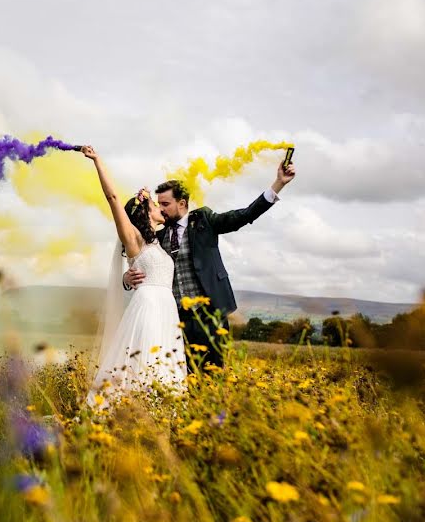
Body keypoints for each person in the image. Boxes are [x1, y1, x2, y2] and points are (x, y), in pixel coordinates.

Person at [124, 159, 297, 371]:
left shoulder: (204, 220)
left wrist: (278, 184)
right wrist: (126, 278)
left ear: (182, 203)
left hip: (209, 315)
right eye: (159, 204)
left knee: (212, 374)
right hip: (174, 318)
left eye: (166, 204)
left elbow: (244, 215)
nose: (162, 209)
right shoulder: (157, 236)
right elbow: (138, 257)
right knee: (181, 376)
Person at [81, 145, 186, 404]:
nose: (161, 208)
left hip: (167, 310)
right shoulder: (133, 239)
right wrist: (97, 161)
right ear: (144, 211)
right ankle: (134, 419)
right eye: (155, 204)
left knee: (166, 369)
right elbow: (113, 198)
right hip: (148, 308)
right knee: (144, 366)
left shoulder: (156, 241)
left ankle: (161, 421)